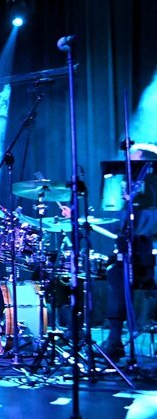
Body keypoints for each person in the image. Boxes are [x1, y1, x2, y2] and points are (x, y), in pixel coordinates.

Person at [60, 144, 157, 361]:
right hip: (133, 261)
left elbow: (146, 230)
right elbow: (116, 230)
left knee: (118, 272)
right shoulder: (129, 205)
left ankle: (114, 340)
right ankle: (109, 339)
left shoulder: (151, 203)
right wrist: (78, 219)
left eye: (133, 165)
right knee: (111, 271)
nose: (126, 172)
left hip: (150, 262)